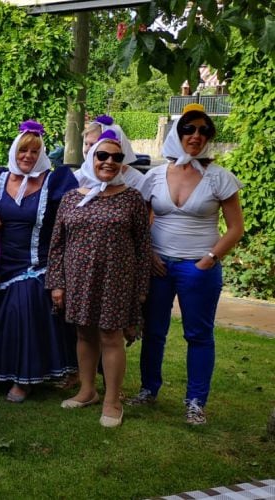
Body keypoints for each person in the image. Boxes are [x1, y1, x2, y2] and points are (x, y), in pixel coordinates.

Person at [130, 104, 244, 425]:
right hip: (159, 267)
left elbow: (236, 227)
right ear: (177, 134)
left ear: (210, 137)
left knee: (199, 335)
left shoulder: (219, 178)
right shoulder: (153, 175)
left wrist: (209, 259)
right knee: (154, 332)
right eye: (189, 129)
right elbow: (141, 222)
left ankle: (195, 401)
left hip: (198, 269)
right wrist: (149, 254)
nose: (196, 136)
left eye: (203, 131)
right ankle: (148, 390)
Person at [47, 131, 151, 428]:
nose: (109, 162)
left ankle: (112, 400)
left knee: (110, 337)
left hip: (116, 281)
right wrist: (57, 282)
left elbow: (143, 247)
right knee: (83, 334)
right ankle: (87, 390)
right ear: (91, 159)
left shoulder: (131, 198)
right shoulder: (70, 198)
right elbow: (57, 244)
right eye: (102, 156)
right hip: (78, 278)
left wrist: (141, 289)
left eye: (116, 158)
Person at [0, 120, 79, 402]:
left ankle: (22, 378)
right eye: (23, 151)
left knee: (22, 300)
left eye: (35, 152)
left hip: (36, 264)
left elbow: (69, 221)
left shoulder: (54, 182)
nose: (28, 156)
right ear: (14, 151)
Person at [77, 115, 144, 190]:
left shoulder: (136, 181)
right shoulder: (78, 177)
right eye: (86, 144)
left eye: (93, 145)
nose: (86, 150)